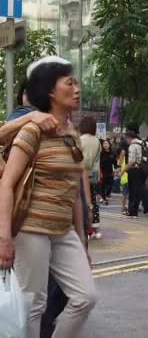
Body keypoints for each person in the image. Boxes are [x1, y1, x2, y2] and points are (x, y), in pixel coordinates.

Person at [0, 56, 97, 338]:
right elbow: (6, 184)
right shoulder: (32, 131)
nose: (77, 88)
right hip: (31, 228)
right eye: (70, 83)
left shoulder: (73, 133)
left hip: (63, 229)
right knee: (33, 303)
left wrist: (81, 238)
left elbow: (75, 193)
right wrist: (4, 237)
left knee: (85, 297)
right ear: (51, 92)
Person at [124, 131, 148, 220]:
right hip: (143, 170)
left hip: (135, 170)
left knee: (141, 191)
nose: (126, 141)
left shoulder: (132, 146)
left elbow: (131, 161)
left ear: (129, 138)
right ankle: (133, 212)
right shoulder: (144, 143)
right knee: (136, 191)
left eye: (126, 139)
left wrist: (123, 171)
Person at [80, 116, 102, 239]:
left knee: (82, 201)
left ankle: (86, 228)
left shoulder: (81, 139)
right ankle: (96, 229)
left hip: (83, 175)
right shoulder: (97, 141)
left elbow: (84, 162)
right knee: (93, 201)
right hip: (94, 176)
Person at [99, 139, 117, 205]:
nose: (105, 145)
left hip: (110, 172)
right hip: (102, 171)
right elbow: (99, 163)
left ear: (109, 145)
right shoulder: (101, 153)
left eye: (107, 143)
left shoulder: (112, 153)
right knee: (102, 186)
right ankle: (103, 199)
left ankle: (105, 196)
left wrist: (117, 169)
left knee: (110, 185)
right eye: (104, 144)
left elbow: (115, 163)